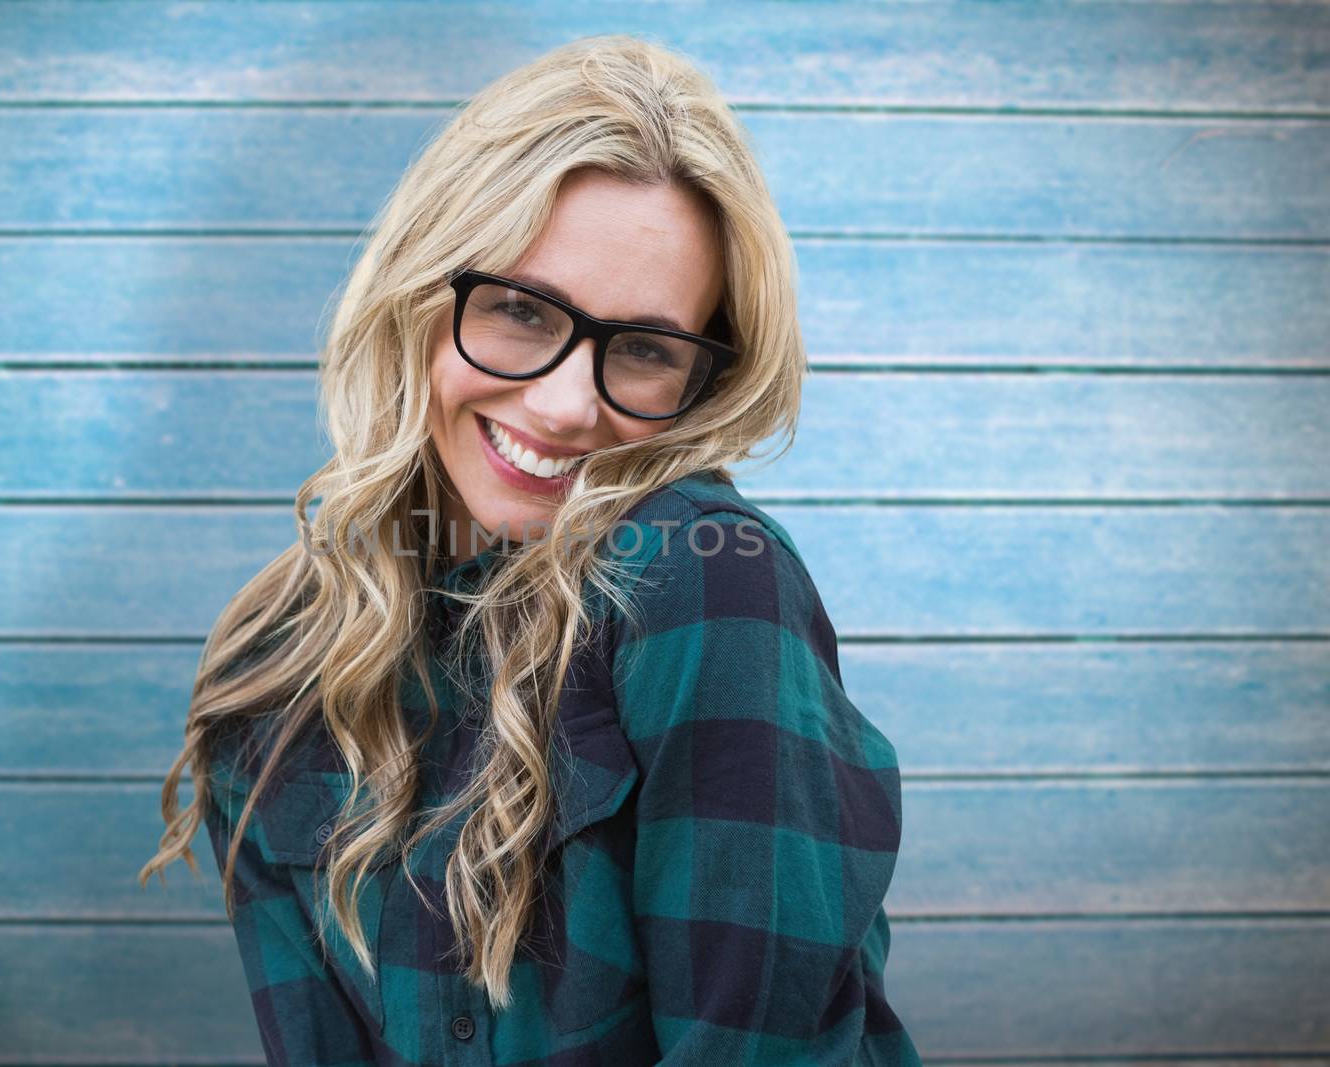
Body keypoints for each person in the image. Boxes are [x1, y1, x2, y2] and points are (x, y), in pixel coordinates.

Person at [141, 34, 922, 1066]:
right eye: (517, 309)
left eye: (642, 348)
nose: (562, 405)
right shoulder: (270, 672)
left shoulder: (702, 578)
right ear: (418, 293)